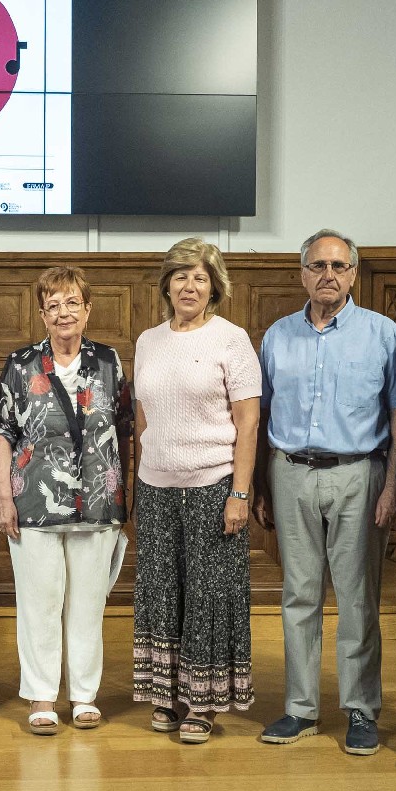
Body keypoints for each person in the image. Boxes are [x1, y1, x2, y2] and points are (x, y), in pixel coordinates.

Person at [253, 230, 396, 756]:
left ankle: (360, 708)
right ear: (302, 274)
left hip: (358, 474)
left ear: (353, 274)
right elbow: (261, 413)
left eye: (339, 266)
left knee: (357, 597)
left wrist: (394, 485)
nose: (328, 275)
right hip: (290, 472)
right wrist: (259, 484)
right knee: (299, 595)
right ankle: (300, 708)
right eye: (318, 265)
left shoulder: (383, 334)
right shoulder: (277, 336)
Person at [130, 237, 261, 744]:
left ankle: (203, 703)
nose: (189, 286)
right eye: (180, 276)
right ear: (167, 285)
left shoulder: (231, 340)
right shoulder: (148, 340)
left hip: (214, 485)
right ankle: (166, 693)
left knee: (208, 594)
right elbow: (143, 418)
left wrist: (240, 493)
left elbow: (248, 422)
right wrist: (140, 484)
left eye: (200, 277)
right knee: (161, 592)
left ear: (214, 287)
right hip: (156, 487)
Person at [0, 266, 132, 735]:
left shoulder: (109, 361)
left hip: (98, 500)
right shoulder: (20, 364)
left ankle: (84, 696)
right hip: (33, 501)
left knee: (88, 604)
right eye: (53, 305)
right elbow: (4, 433)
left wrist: (124, 495)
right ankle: (41, 696)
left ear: (88, 309)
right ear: (42, 314)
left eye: (72, 302)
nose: (63, 312)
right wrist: (3, 497)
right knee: (39, 603)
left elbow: (126, 430)